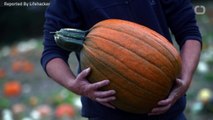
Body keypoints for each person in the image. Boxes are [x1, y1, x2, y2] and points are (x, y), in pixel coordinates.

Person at [41, 0, 202, 120]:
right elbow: (52, 52)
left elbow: (189, 31)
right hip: (107, 110)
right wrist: (73, 84)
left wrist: (185, 80)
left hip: (167, 107)